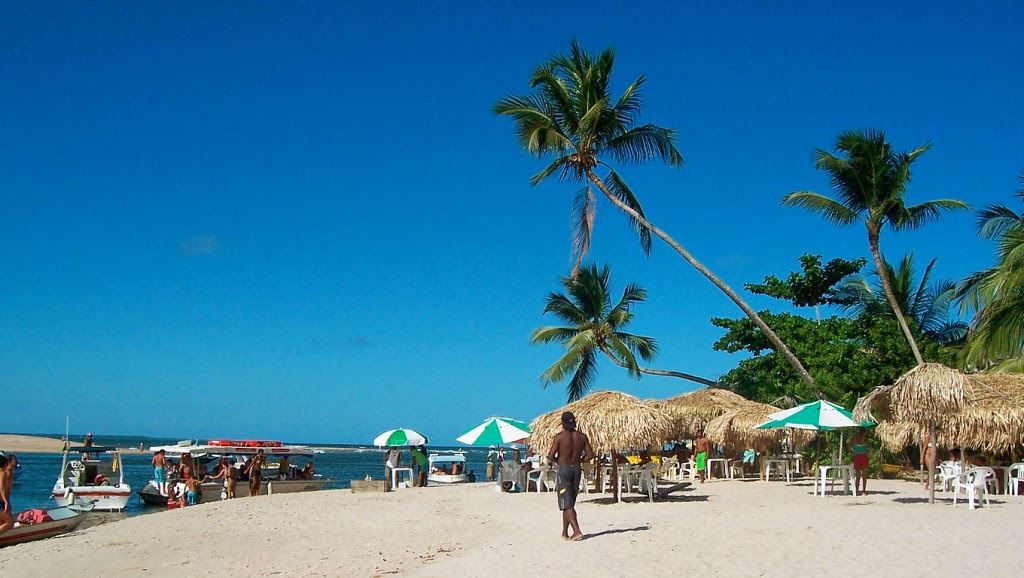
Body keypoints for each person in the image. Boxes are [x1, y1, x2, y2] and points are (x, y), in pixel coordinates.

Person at [546, 411, 594, 542]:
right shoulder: (582, 437)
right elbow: (590, 455)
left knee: (566, 503)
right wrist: (579, 460)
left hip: (565, 469)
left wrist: (559, 461)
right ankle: (565, 532)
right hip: (577, 469)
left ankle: (577, 531)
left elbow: (550, 456)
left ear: (563, 423)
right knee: (570, 502)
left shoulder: (560, 437)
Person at [0, 454, 13, 534]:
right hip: (1, 502)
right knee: (9, 523)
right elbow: (1, 487)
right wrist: (6, 502)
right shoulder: (2, 472)